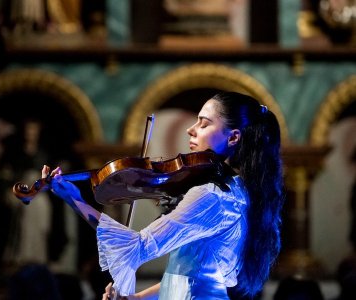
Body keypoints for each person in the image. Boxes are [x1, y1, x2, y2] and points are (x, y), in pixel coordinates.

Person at [34, 91, 285, 299]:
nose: (191, 129)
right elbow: (185, 276)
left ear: (233, 137)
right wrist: (135, 298)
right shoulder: (240, 192)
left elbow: (138, 247)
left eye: (204, 123)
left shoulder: (212, 196)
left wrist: (74, 199)